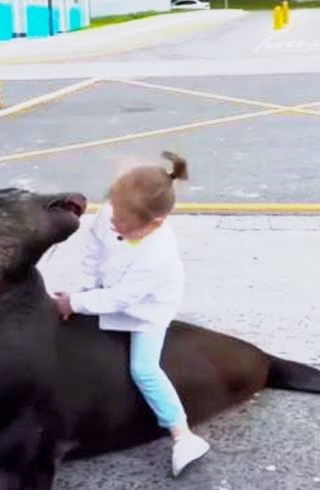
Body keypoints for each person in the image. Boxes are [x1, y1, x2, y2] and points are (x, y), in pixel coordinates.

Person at [53, 151, 210, 476]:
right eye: (113, 212)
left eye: (123, 222)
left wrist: (76, 304)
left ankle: (183, 434)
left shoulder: (157, 254)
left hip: (147, 310)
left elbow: (123, 299)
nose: (113, 222)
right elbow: (94, 250)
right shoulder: (112, 214)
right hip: (107, 291)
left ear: (155, 223)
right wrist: (84, 289)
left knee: (144, 368)